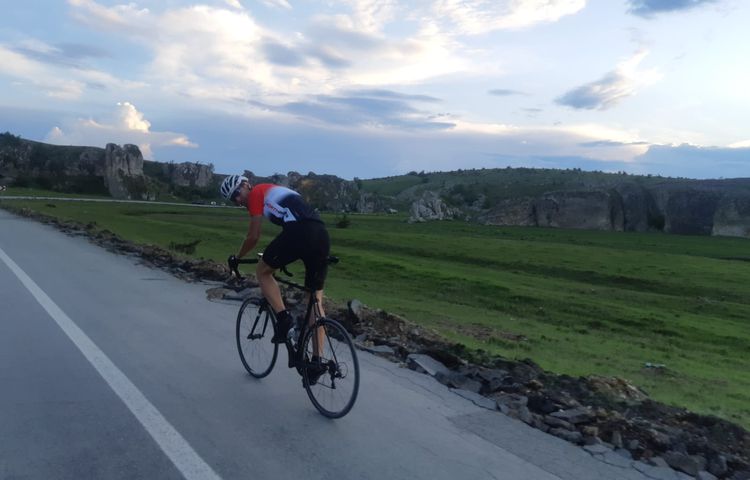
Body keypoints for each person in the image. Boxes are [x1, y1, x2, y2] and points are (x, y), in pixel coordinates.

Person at [220, 175, 330, 374]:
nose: (237, 200)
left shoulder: (256, 193)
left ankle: (283, 318)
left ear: (246, 185)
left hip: (299, 232)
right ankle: (317, 362)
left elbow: (253, 236)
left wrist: (237, 257)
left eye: (237, 193)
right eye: (232, 199)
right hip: (321, 233)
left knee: (262, 271)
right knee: (314, 301)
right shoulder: (279, 191)